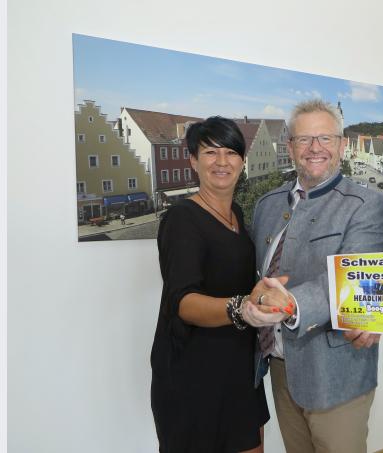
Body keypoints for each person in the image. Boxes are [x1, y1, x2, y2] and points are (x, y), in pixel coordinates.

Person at [243, 99, 383, 453]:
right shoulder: (267, 205)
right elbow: (257, 278)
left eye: (325, 138)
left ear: (341, 145)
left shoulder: (366, 205)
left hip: (336, 371)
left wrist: (290, 302)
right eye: (304, 139)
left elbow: (351, 280)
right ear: (290, 147)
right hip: (279, 367)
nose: (314, 148)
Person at [150, 116, 286, 453]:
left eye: (230, 152)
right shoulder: (182, 219)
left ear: (242, 160)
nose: (222, 162)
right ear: (194, 161)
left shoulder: (238, 215)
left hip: (240, 367)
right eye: (210, 152)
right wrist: (242, 308)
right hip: (193, 373)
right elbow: (182, 302)